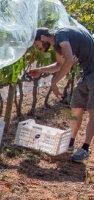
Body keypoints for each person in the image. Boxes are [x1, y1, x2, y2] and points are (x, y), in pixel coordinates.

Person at [31, 26, 94, 163]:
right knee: (76, 108)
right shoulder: (57, 45)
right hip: (87, 72)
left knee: (92, 110)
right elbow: (60, 64)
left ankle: (85, 148)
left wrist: (54, 83)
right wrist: (41, 70)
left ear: (43, 37)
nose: (38, 49)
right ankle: (70, 143)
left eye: (37, 45)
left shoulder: (61, 35)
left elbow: (70, 61)